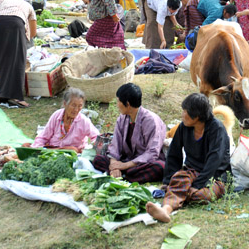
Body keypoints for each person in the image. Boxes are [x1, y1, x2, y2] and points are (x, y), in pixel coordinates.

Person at [146, 93, 230, 224]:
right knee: (179, 179)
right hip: (191, 172)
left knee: (201, 195)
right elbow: (174, 153)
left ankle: (179, 193)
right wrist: (168, 180)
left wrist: (197, 185)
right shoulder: (183, 127)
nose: (182, 114)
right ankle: (165, 210)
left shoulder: (217, 129)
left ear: (196, 116)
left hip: (215, 176)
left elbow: (215, 160)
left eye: (184, 111)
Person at [92, 83, 167, 182]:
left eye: (118, 101)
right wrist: (115, 165)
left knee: (160, 167)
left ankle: (123, 175)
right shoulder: (122, 118)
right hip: (125, 160)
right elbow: (115, 146)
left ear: (127, 104)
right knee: (98, 159)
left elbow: (152, 153)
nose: (117, 104)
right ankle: (122, 174)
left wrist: (125, 165)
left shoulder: (151, 120)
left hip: (142, 163)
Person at [0, 0, 37, 106]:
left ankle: (1, 94)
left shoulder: (2, 0)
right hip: (16, 23)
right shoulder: (27, 5)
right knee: (17, 59)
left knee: (0, 58)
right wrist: (25, 39)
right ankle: (17, 97)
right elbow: (33, 32)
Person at [26, 88, 99, 153]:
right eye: (73, 105)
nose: (76, 110)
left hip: (73, 154)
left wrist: (88, 150)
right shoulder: (57, 115)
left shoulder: (83, 121)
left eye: (80, 106)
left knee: (72, 150)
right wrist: (36, 149)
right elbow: (43, 136)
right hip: (53, 151)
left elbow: (97, 138)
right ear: (65, 104)